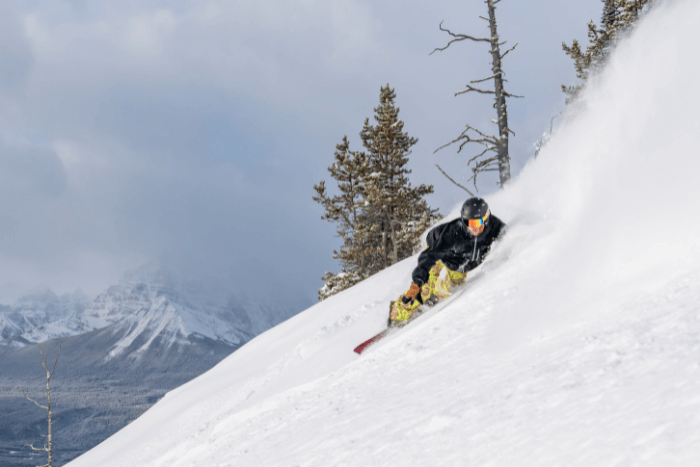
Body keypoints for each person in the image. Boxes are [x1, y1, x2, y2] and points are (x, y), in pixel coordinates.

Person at [389, 197, 506, 325]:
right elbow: (429, 257)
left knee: (452, 289)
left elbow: (512, 237)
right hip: (438, 252)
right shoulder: (453, 234)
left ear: (486, 218)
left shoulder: (495, 227)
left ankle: (435, 294)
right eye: (469, 223)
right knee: (424, 290)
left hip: (459, 263)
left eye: (478, 222)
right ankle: (396, 315)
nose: (474, 228)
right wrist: (416, 284)